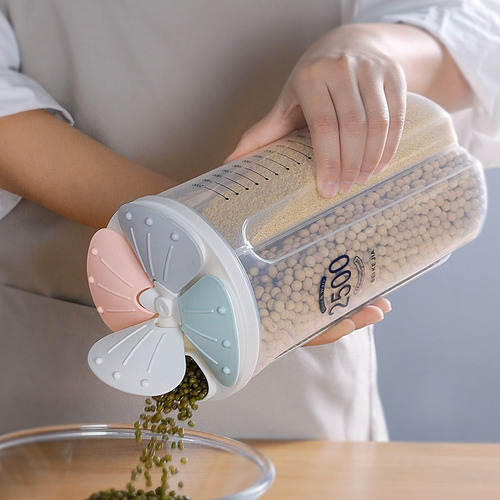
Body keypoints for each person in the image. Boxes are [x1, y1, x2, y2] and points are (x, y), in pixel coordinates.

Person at [0, 1, 498, 439]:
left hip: (302, 384)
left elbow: (471, 30)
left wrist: (365, 52)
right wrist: (203, 230)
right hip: (56, 382)